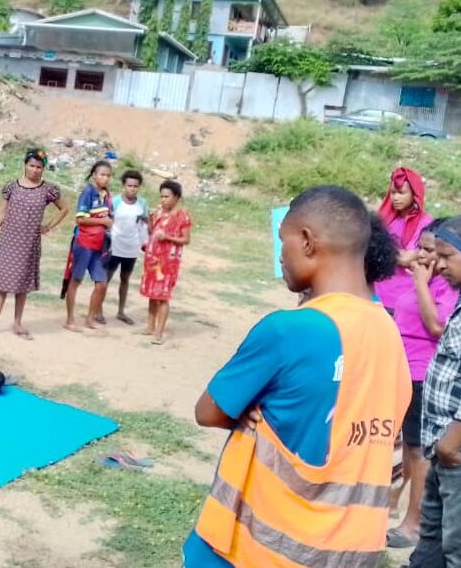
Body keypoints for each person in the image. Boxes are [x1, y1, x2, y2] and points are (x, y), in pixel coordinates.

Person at [185, 185, 411, 568]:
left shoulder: (289, 330)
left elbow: (208, 412)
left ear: (307, 241)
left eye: (282, 241)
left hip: (256, 547)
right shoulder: (389, 333)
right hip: (349, 553)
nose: (280, 255)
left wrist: (249, 409)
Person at [388, 218, 459, 549]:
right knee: (405, 446)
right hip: (403, 370)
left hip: (421, 372)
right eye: (425, 249)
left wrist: (419, 281)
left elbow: (434, 326)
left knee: (417, 451)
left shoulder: (442, 286)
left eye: (435, 252)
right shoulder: (429, 277)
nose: (427, 258)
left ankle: (412, 523)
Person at [0, 148, 68, 339]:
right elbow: (2, 213)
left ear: (43, 168)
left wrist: (48, 226)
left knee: (22, 284)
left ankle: (18, 323)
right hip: (7, 241)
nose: (35, 170)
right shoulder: (11, 187)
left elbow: (65, 209)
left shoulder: (48, 190)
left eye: (39, 167)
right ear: (25, 165)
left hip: (29, 244)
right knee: (1, 283)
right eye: (31, 165)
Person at [62, 160, 113, 334]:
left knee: (102, 283)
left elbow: (110, 217)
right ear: (94, 175)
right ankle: (69, 319)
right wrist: (102, 221)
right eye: (102, 174)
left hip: (100, 245)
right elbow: (80, 219)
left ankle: (90, 318)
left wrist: (109, 224)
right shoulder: (88, 192)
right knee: (76, 280)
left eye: (108, 175)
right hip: (84, 243)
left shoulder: (107, 195)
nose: (105, 178)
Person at [376, 166, 432, 315]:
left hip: (400, 299)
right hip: (376, 294)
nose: (395, 198)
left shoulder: (426, 224)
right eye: (393, 192)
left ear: (414, 194)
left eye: (401, 193)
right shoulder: (385, 219)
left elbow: (407, 258)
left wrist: (378, 249)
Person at [140, 179, 191, 345]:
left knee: (162, 296)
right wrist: (150, 220)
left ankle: (159, 332)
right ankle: (150, 326)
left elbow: (186, 239)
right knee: (152, 294)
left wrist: (167, 237)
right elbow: (152, 231)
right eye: (161, 196)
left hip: (168, 262)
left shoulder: (182, 215)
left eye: (167, 197)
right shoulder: (160, 211)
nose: (163, 200)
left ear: (176, 197)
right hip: (153, 258)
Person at [103, 170, 149, 325]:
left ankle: (121, 311)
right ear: (124, 185)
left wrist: (145, 242)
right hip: (114, 246)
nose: (132, 189)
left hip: (131, 247)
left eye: (136, 186)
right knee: (105, 278)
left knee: (125, 279)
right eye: (129, 185)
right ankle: (98, 310)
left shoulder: (142, 203)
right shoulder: (114, 201)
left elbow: (145, 224)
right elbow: (107, 222)